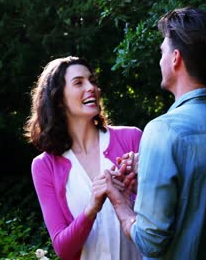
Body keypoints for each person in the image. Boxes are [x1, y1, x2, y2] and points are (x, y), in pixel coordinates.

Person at [102, 7, 206, 260]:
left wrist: (121, 204)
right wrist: (149, 175)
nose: (159, 60)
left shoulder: (163, 130)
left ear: (175, 58)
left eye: (162, 52)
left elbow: (151, 243)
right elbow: (199, 202)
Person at [23, 56, 142, 260]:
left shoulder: (131, 138)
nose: (92, 88)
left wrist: (141, 183)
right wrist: (92, 207)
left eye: (93, 81)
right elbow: (63, 249)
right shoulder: (44, 166)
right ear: (58, 99)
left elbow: (162, 214)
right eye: (79, 82)